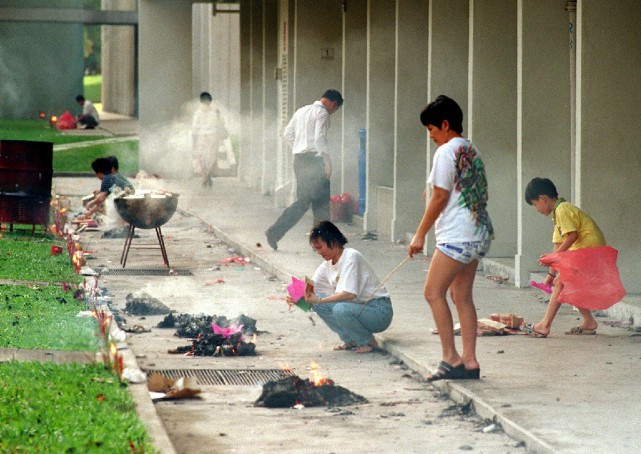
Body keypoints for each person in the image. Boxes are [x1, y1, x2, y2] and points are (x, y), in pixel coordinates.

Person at [408, 95, 493, 382]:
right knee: (461, 296)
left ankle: (450, 358)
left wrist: (420, 234)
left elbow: (441, 197)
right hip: (478, 232)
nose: (430, 136)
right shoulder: (472, 149)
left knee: (433, 292)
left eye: (432, 129)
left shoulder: (445, 152)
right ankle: (470, 361)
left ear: (445, 125)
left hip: (456, 235)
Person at [285, 221, 393, 353]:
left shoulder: (351, 256)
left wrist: (318, 299)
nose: (318, 252)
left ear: (333, 242)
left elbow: (349, 294)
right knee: (319, 304)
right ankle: (350, 340)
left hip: (378, 311)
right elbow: (311, 290)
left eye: (320, 247)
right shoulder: (327, 265)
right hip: (357, 308)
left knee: (339, 308)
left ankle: (366, 341)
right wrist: (297, 298)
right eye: (316, 249)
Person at [523, 177, 606, 337]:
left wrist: (553, 259)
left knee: (562, 281)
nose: (537, 209)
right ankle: (588, 321)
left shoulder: (562, 209)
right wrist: (550, 274)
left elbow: (571, 237)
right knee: (563, 282)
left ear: (543, 199)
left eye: (535, 205)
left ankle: (544, 325)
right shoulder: (557, 214)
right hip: (585, 252)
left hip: (591, 251)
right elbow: (558, 246)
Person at [265, 89, 344, 251]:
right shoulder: (322, 114)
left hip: (300, 160)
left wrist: (298, 149)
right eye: (335, 109)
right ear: (333, 104)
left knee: (303, 202)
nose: (333, 112)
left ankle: (275, 232)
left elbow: (287, 133)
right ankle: (322, 244)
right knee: (321, 204)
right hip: (315, 161)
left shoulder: (301, 111)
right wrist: (327, 161)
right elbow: (319, 138)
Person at [192, 91, 228, 188]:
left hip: (202, 137)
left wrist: (194, 139)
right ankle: (207, 177)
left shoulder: (198, 113)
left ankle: (205, 177)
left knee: (202, 158)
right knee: (211, 158)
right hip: (213, 137)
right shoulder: (216, 111)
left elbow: (195, 127)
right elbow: (222, 123)